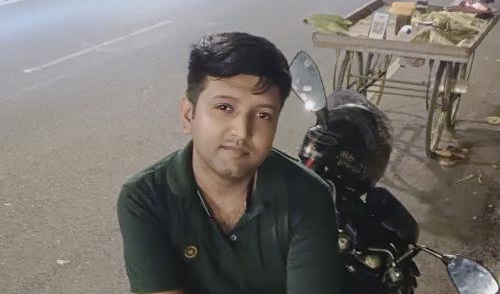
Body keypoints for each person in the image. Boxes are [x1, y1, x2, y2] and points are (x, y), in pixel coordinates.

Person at [117, 32, 342, 294]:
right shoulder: (145, 197)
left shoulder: (308, 196)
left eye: (262, 115)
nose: (242, 132)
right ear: (188, 114)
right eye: (225, 108)